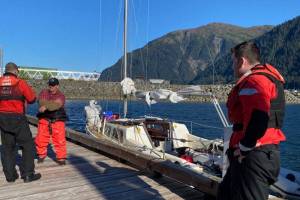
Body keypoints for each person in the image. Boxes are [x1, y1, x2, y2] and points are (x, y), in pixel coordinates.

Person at [217, 41, 286, 200]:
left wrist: (244, 147)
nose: (233, 66)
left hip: (253, 157)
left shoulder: (254, 82)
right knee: (225, 194)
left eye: (234, 61)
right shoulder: (264, 79)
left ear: (242, 61)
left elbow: (259, 118)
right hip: (257, 154)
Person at [0, 62, 41, 183]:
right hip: (18, 118)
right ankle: (28, 174)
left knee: (7, 148)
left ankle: (10, 176)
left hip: (2, 118)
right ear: (15, 71)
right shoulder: (20, 82)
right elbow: (32, 99)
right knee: (27, 145)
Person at [35, 77, 67, 165]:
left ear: (57, 86)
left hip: (57, 119)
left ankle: (61, 157)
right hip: (44, 119)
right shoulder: (43, 92)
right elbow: (41, 102)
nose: (51, 87)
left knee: (60, 139)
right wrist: (49, 104)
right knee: (41, 138)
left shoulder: (61, 96)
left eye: (53, 85)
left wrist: (46, 106)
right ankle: (41, 155)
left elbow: (57, 104)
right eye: (50, 85)